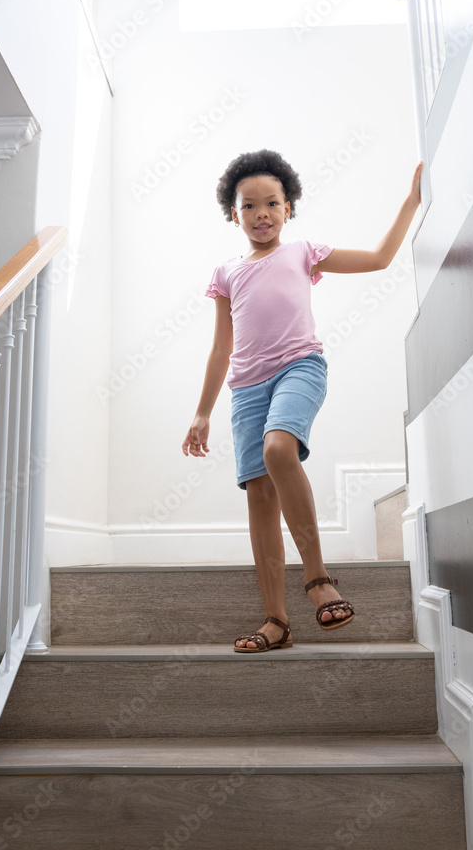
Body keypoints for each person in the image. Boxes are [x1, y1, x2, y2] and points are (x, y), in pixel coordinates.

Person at [182, 149, 422, 653]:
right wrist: (202, 412)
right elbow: (222, 348)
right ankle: (277, 621)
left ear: (288, 208)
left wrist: (411, 201)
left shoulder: (303, 253)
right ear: (233, 214)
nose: (262, 213)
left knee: (278, 449)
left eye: (272, 203)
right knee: (259, 497)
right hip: (246, 390)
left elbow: (379, 259)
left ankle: (317, 578)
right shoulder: (226, 274)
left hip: (299, 368)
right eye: (250, 206)